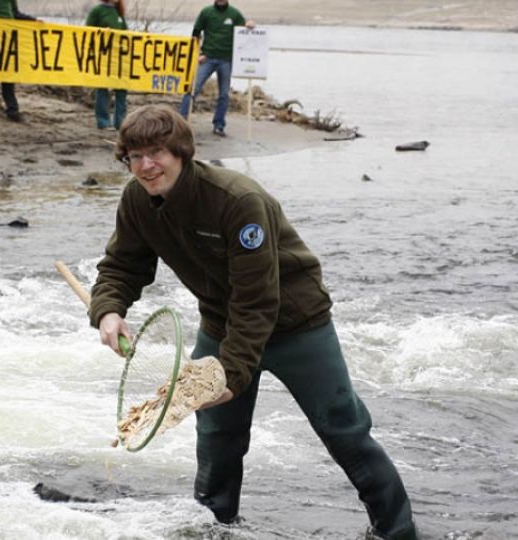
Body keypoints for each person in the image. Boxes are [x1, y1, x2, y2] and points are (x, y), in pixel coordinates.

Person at [87, 105, 418, 540]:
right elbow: (121, 265)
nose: (146, 166)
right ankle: (215, 528)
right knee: (217, 436)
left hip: (297, 325)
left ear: (182, 151)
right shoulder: (137, 199)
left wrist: (233, 374)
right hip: (221, 324)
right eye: (134, 156)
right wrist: (109, 308)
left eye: (157, 153)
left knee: (344, 430)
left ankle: (397, 531)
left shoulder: (238, 201)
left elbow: (257, 300)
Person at [179, 0, 254, 137]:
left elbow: (244, 31)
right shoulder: (207, 12)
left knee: (224, 94)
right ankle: (180, 122)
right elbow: (196, 33)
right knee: (192, 89)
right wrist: (199, 53)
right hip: (207, 58)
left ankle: (219, 125)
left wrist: (249, 24)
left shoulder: (234, 14)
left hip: (226, 60)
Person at [0, 0, 37, 122]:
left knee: (8, 74)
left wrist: (32, 20)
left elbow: (15, 13)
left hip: (8, 38)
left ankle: (12, 110)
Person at [85, 0, 128, 130]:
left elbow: (126, 32)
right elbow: (87, 31)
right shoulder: (97, 11)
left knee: (122, 89)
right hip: (102, 58)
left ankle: (121, 122)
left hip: (118, 58)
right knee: (102, 89)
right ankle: (103, 122)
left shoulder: (118, 13)